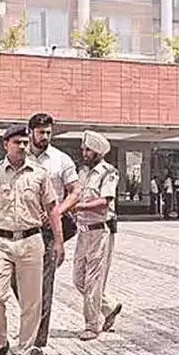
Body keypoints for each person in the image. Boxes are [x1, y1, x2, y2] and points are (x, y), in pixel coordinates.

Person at [0, 124, 65, 355]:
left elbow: (52, 208)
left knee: (32, 302)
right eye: (17, 142)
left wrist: (58, 242)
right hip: (0, 242)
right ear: (6, 145)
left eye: (25, 142)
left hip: (31, 241)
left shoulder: (39, 174)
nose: (22, 146)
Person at [10, 112, 81, 355]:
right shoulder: (20, 156)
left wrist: (56, 212)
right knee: (16, 281)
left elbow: (75, 191)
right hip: (20, 229)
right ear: (30, 132)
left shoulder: (61, 160)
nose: (45, 137)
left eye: (49, 133)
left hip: (48, 231)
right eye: (41, 132)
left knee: (44, 286)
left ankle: (37, 343)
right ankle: (30, 323)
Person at [70, 130, 123, 341]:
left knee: (92, 280)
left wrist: (78, 207)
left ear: (98, 152)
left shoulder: (108, 173)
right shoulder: (82, 173)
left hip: (100, 231)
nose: (84, 153)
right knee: (78, 278)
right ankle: (109, 307)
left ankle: (92, 326)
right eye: (83, 149)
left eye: (88, 150)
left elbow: (104, 202)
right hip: (82, 231)